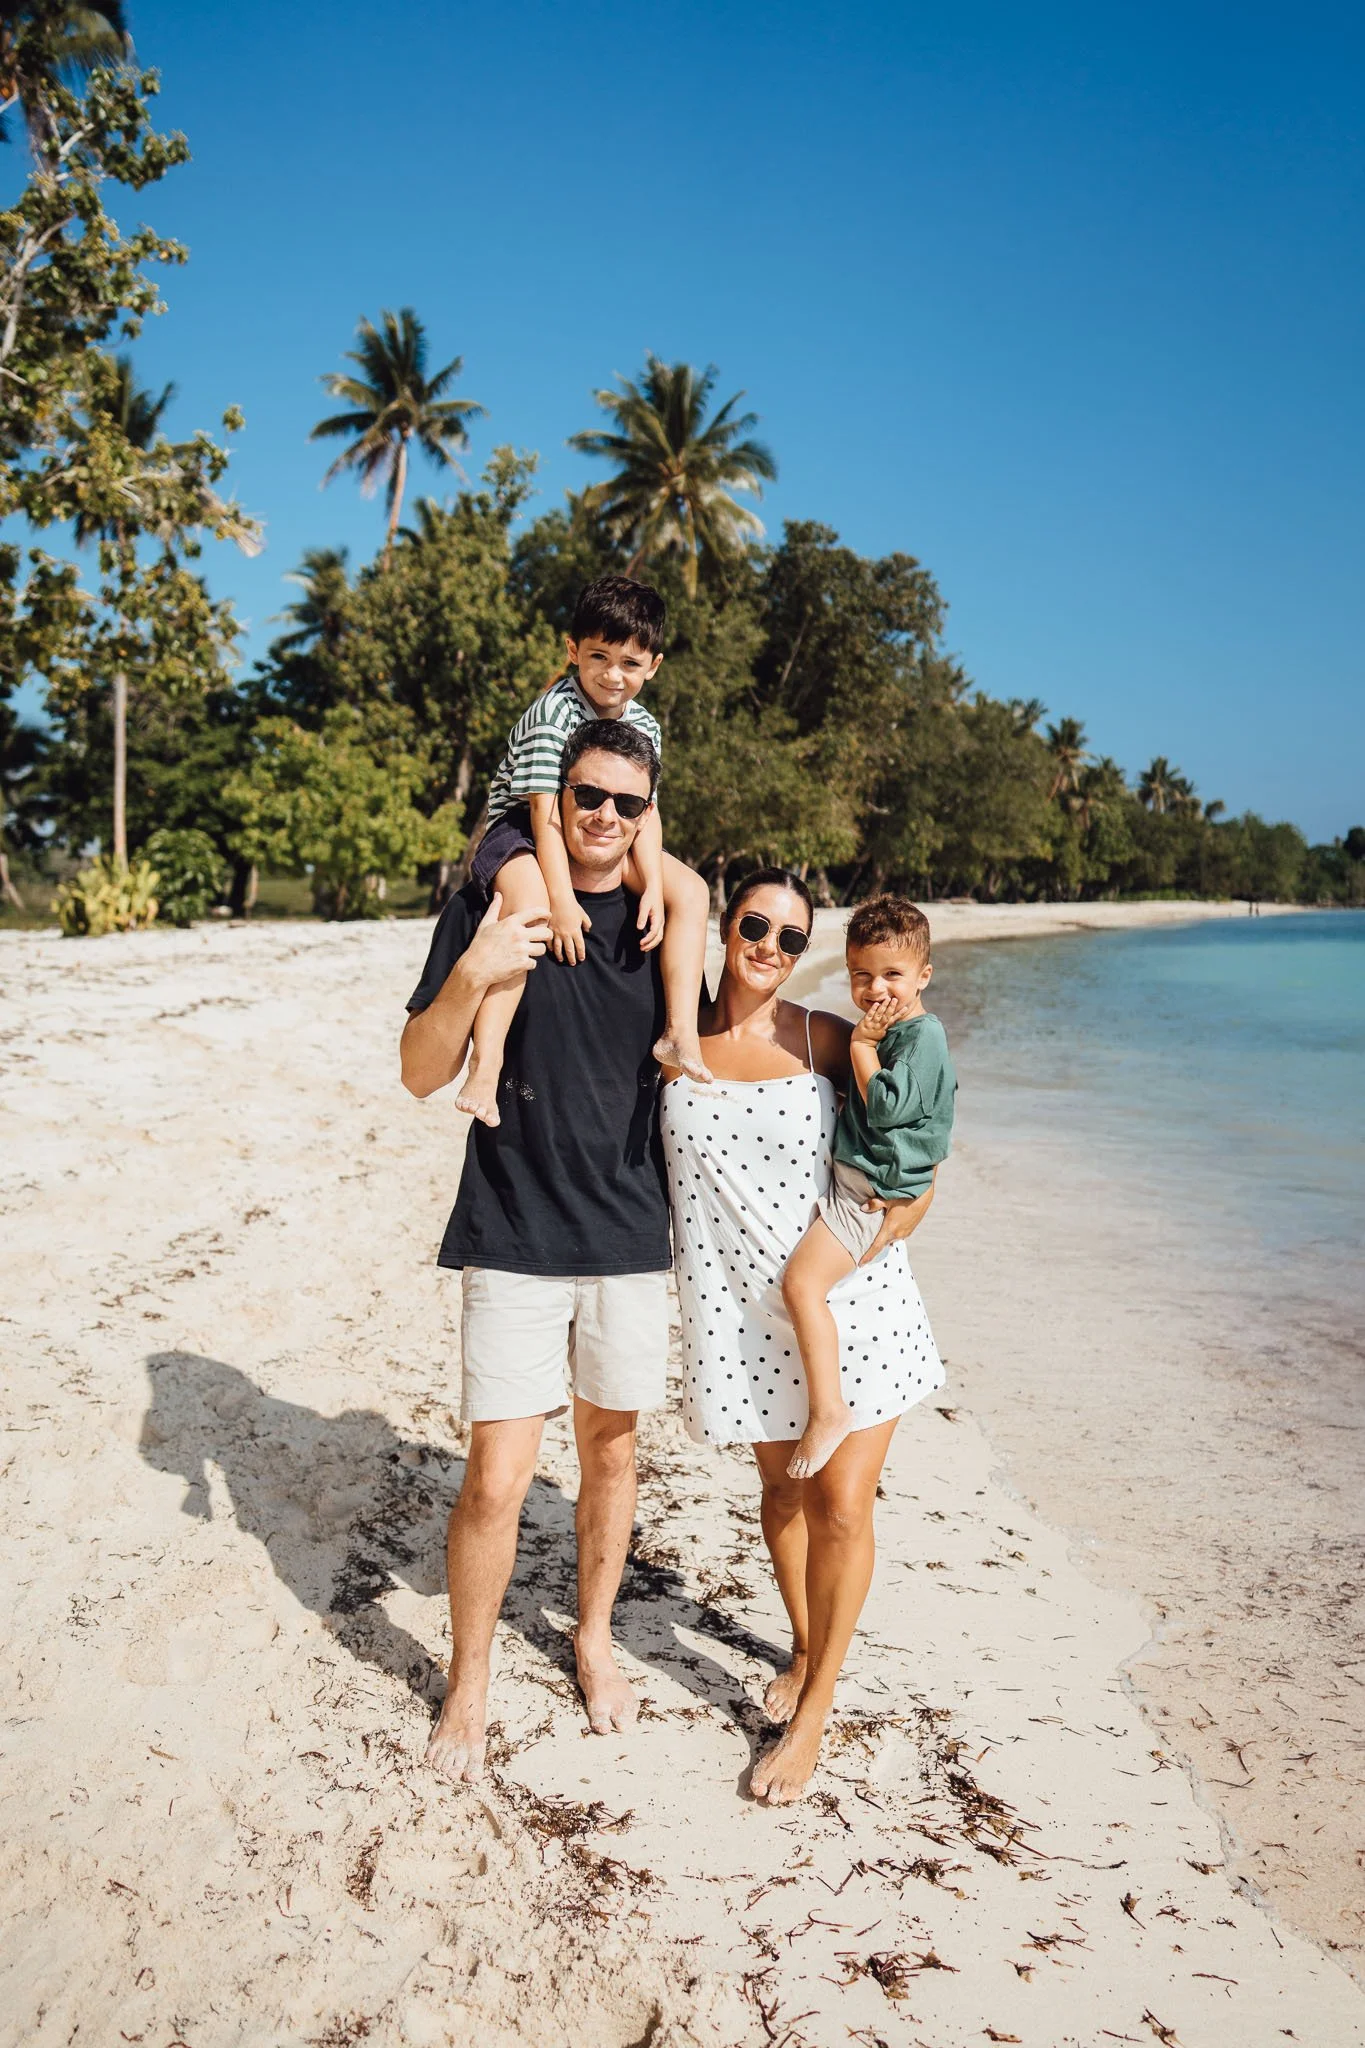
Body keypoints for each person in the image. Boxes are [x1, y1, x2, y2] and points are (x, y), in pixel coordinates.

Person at [401, 719, 674, 1782]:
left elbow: (737, 1034)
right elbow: (422, 1071)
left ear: (650, 816)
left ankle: (592, 1634)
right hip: (512, 1225)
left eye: (627, 803)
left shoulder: (660, 921)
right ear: (555, 799)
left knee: (611, 1452)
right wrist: (472, 972)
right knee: (496, 1478)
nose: (605, 816)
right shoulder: (499, 894)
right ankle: (468, 1683)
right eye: (588, 796)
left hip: (625, 1235)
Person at [658, 871, 946, 1805]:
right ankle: (805, 1641)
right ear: (723, 926)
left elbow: (916, 1134)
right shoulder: (671, 1036)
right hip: (743, 1312)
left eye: (790, 937)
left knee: (841, 1508)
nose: (768, 949)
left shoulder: (828, 1037)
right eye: (753, 924)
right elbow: (665, 877)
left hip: (851, 1302)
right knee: (779, 1495)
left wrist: (918, 1205)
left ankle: (815, 1709)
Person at [454, 573, 711, 1128]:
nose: (613, 676)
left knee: (692, 890)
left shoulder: (646, 726)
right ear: (573, 651)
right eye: (599, 657)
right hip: (522, 826)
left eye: (630, 664)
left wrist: (653, 885)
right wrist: (563, 900)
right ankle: (488, 1059)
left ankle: (681, 1032)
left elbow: (648, 812)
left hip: (600, 821)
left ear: (654, 666)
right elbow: (546, 816)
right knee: (531, 906)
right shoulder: (553, 715)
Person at [782, 897, 956, 1480]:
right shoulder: (899, 1030)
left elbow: (885, 1109)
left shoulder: (921, 1038)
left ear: (923, 976)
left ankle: (829, 1410)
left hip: (868, 1195)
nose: (875, 988)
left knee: (803, 1285)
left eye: (892, 975)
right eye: (862, 975)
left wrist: (860, 1047)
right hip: (858, 1183)